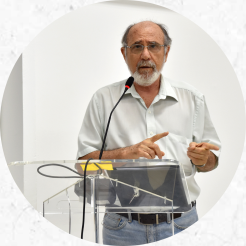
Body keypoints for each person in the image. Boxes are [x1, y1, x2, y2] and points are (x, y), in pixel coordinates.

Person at [76, 21, 221, 245]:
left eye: (153, 46)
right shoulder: (103, 100)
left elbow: (211, 161)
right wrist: (126, 153)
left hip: (182, 224)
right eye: (136, 47)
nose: (145, 54)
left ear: (166, 52)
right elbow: (83, 164)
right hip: (122, 227)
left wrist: (203, 159)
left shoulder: (193, 99)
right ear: (124, 53)